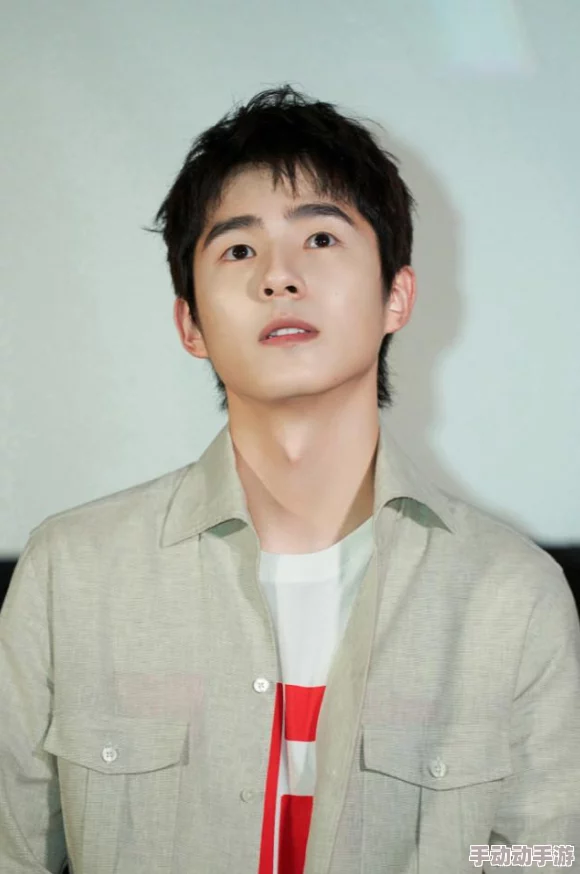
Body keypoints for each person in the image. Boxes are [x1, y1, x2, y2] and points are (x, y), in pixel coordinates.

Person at [1, 85, 579, 874]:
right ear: (190, 324)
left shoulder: (512, 596)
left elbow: (548, 856)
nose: (279, 277)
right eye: (238, 250)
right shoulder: (71, 573)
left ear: (397, 296)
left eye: (321, 238)